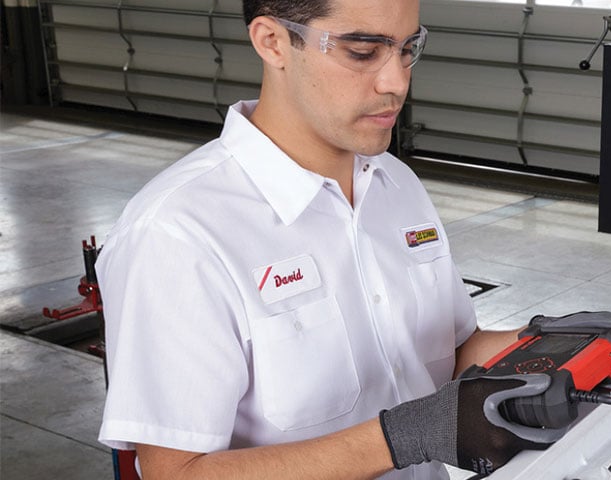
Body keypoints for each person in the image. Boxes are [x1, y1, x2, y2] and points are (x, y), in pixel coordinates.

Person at [95, 0, 553, 478]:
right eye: (361, 51)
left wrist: (549, 343)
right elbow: (177, 472)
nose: (396, 82)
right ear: (272, 42)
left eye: (407, 49)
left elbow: (451, 352)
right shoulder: (178, 232)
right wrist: (400, 439)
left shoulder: (395, 183)